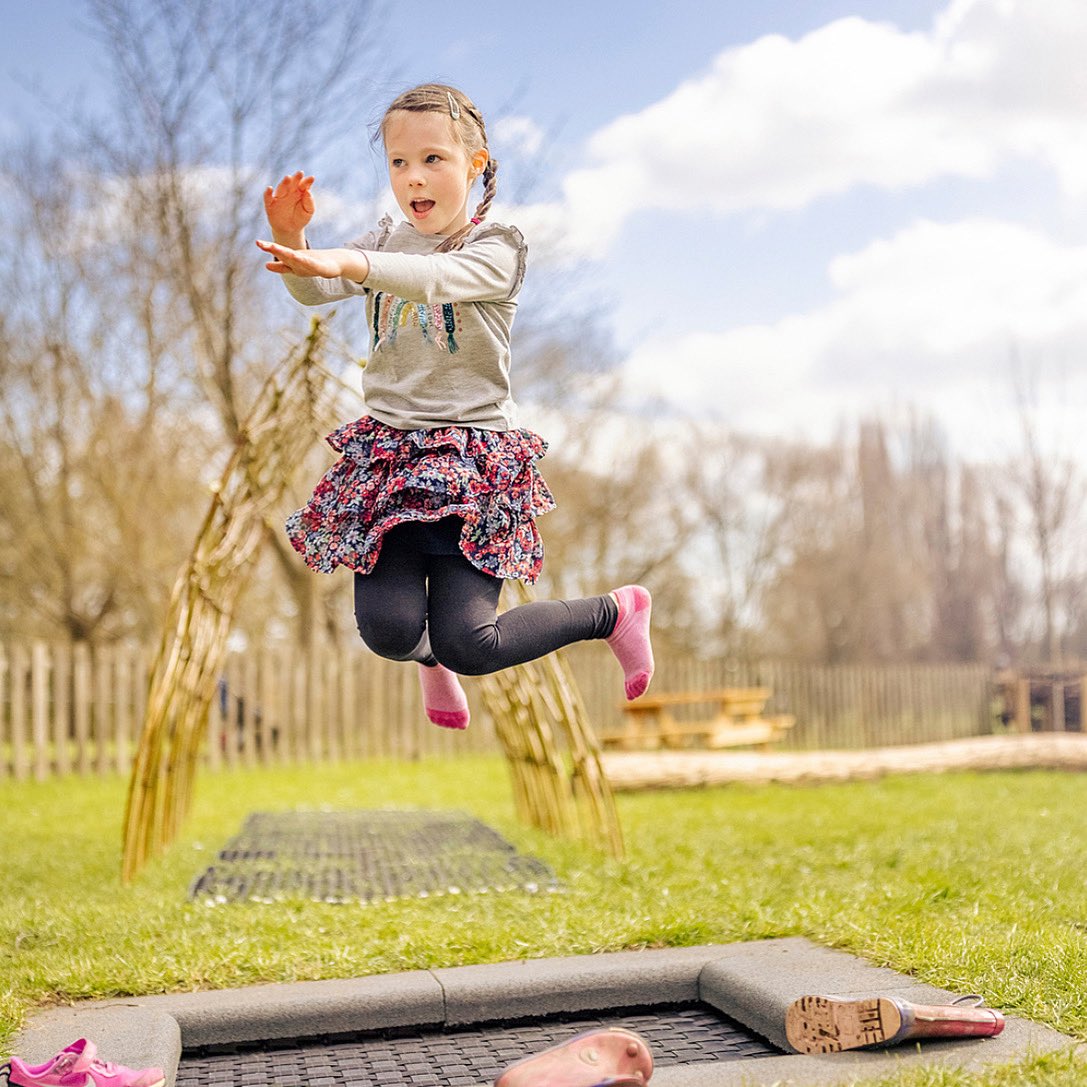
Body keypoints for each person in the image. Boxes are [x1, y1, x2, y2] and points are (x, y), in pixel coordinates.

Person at [257, 83, 653, 730]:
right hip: (388, 456)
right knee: (386, 629)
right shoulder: (386, 235)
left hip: (471, 459)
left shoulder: (498, 246)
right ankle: (426, 659)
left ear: (474, 162)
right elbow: (314, 289)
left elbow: (435, 280)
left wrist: (352, 260)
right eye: (398, 163)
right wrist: (292, 235)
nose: (413, 177)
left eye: (432, 159)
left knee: (471, 644)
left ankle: (614, 612)